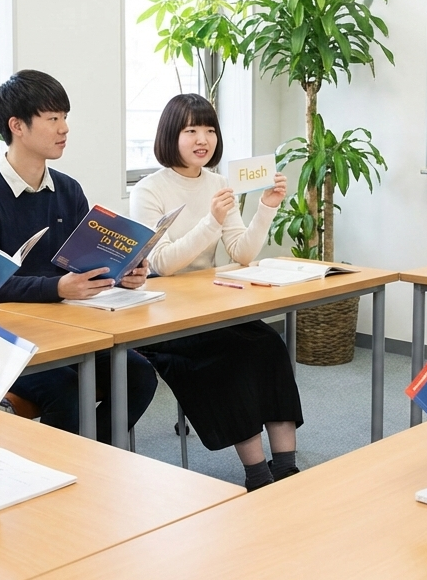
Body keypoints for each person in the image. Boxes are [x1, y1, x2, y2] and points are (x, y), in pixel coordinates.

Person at [0, 69, 157, 444]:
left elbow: (82, 264)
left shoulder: (67, 189)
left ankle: (94, 458)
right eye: (52, 119)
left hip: (71, 330)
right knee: (68, 394)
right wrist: (57, 287)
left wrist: (122, 271)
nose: (64, 128)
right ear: (17, 125)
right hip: (9, 338)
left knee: (138, 375)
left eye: (64, 117)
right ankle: (75, 467)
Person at [128, 93, 303, 491]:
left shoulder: (219, 182)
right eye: (191, 129)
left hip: (209, 306)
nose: (201, 138)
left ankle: (287, 467)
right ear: (171, 134)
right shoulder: (148, 190)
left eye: (208, 129)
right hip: (162, 312)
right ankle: (258, 475)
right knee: (233, 358)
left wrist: (267, 207)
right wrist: (211, 221)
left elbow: (242, 252)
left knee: (269, 345)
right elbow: (161, 263)